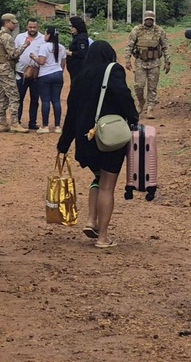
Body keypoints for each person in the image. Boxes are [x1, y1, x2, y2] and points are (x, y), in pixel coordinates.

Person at [58, 41, 139, 248]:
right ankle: (103, 237)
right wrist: (133, 119)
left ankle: (91, 220)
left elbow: (72, 113)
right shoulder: (113, 70)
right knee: (107, 186)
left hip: (86, 140)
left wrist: (63, 145)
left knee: (97, 177)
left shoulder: (79, 77)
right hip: (109, 138)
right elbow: (123, 95)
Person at [124, 10, 170, 119]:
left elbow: (165, 47)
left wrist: (168, 61)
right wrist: (127, 60)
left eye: (151, 19)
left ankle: (150, 108)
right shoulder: (137, 30)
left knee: (152, 87)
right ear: (144, 19)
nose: (149, 21)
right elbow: (129, 46)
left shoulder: (159, 31)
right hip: (140, 62)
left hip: (154, 62)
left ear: (153, 20)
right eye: (147, 19)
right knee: (138, 86)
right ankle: (141, 101)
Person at [0, 13, 30, 133]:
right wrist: (24, 46)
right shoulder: (7, 37)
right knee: (14, 95)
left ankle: (2, 122)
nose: (14, 25)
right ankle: (14, 123)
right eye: (12, 23)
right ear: (7, 22)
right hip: (6, 69)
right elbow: (13, 54)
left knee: (2, 96)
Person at [30, 25, 66, 133]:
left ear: (49, 35)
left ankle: (45, 126)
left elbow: (41, 61)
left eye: (45, 33)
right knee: (56, 100)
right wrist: (59, 72)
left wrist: (33, 57)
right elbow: (63, 63)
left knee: (45, 100)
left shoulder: (44, 47)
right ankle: (57, 126)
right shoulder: (61, 47)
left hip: (45, 75)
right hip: (58, 74)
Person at [14, 19, 44, 130]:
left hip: (36, 73)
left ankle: (32, 123)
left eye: (34, 27)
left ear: (38, 27)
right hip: (21, 72)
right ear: (26, 27)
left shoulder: (42, 39)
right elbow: (15, 52)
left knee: (35, 99)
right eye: (30, 27)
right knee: (19, 98)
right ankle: (17, 121)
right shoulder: (19, 37)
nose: (32, 29)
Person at [65, 16, 91, 82]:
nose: (71, 28)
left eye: (72, 26)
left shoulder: (81, 38)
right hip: (74, 68)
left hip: (78, 68)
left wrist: (69, 53)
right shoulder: (76, 36)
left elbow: (82, 53)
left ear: (77, 26)